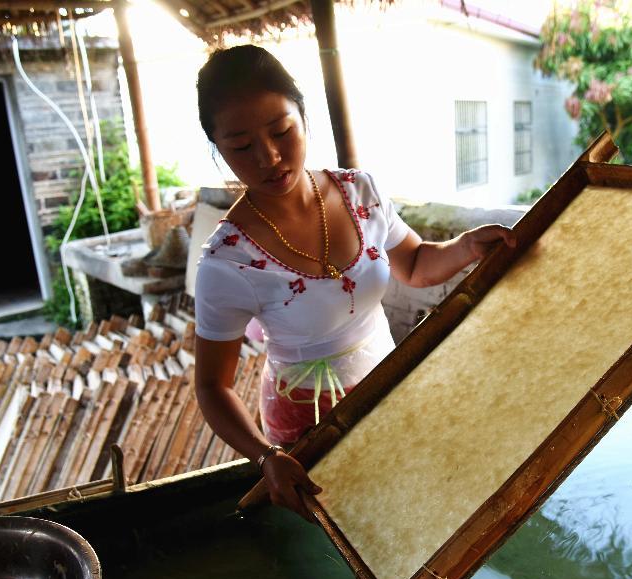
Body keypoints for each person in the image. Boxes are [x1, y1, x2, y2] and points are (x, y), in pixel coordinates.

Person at [193, 45, 515, 522]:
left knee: (408, 513)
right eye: (241, 146)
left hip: (386, 388)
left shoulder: (359, 192)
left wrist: (467, 248)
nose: (270, 157)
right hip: (305, 422)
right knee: (350, 531)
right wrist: (266, 457)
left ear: (303, 117)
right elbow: (212, 387)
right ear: (218, 147)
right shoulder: (227, 262)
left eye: (282, 131)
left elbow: (416, 264)